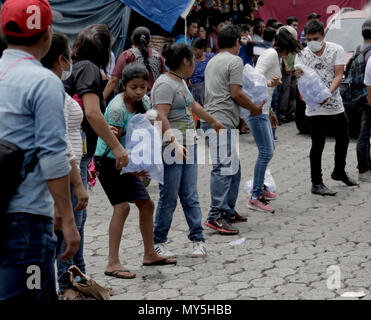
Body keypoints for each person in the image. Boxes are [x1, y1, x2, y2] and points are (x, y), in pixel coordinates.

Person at [0, 0, 80, 300]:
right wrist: (68, 220)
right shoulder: (44, 81)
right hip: (27, 221)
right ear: (47, 34)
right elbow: (53, 156)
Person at [95, 64, 176, 278]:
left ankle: (149, 253)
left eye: (142, 87)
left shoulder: (145, 102)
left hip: (128, 159)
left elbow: (145, 136)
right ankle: (112, 263)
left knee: (147, 204)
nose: (139, 92)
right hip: (110, 160)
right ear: (124, 86)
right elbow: (116, 143)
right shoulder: (116, 108)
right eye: (134, 87)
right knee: (122, 208)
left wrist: (145, 164)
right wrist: (134, 169)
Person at [152, 43, 225, 256]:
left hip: (190, 144)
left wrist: (213, 121)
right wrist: (173, 142)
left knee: (190, 195)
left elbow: (193, 106)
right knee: (169, 196)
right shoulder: (164, 84)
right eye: (193, 59)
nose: (195, 63)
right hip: (171, 148)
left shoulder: (181, 82)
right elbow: (160, 116)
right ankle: (158, 241)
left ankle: (198, 239)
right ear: (186, 61)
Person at [41, 32, 90, 300]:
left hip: (72, 167)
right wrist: (78, 183)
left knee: (74, 231)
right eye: (69, 52)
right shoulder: (51, 87)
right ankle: (66, 286)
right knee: (66, 233)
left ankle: (73, 282)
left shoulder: (55, 85)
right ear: (61, 59)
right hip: (66, 171)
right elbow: (60, 141)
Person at [201, 24, 264, 235]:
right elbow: (236, 93)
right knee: (223, 169)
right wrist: (255, 108)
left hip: (218, 119)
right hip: (220, 121)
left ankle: (227, 210)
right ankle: (215, 216)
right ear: (237, 42)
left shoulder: (213, 60)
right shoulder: (235, 60)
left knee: (233, 168)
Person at [295, 20, 358, 196]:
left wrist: (327, 94)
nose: (311, 42)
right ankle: (316, 183)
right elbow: (301, 80)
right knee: (318, 144)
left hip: (335, 103)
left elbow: (339, 74)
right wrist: (297, 75)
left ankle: (339, 171)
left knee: (344, 138)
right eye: (308, 39)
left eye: (315, 38)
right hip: (314, 107)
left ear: (323, 36)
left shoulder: (335, 49)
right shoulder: (302, 53)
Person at [247, 28, 302, 213]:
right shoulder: (270, 55)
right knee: (266, 152)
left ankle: (259, 187)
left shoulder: (275, 56)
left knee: (268, 151)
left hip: (263, 109)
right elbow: (254, 78)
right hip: (256, 109)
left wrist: (270, 111)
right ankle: (255, 197)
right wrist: (271, 83)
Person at [103, 27, 166, 100]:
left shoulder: (127, 55)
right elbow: (164, 78)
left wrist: (103, 97)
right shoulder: (158, 56)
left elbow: (114, 79)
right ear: (149, 41)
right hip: (153, 99)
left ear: (132, 39)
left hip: (131, 100)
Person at [357, 20, 371, 182]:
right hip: (368, 98)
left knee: (365, 133)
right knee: (365, 134)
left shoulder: (359, 48)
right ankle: (363, 169)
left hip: (360, 96)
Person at [190, 38, 215, 128]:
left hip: (207, 89)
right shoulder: (191, 60)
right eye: (193, 49)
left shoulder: (210, 57)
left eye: (196, 50)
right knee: (194, 112)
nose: (194, 52)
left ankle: (207, 130)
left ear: (202, 49)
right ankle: (194, 131)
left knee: (207, 111)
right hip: (194, 90)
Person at [278, 26, 299, 124]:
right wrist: (286, 65)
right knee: (285, 92)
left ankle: (291, 113)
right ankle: (282, 113)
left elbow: (295, 53)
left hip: (294, 68)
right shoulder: (284, 41)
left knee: (293, 92)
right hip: (286, 69)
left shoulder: (294, 40)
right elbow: (283, 55)